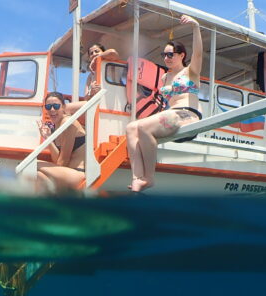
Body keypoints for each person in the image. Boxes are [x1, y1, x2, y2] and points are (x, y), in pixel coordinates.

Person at [126, 15, 203, 192]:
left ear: (181, 55)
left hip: (188, 114)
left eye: (170, 54)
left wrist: (196, 27)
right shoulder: (164, 77)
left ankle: (149, 178)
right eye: (164, 55)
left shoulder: (190, 71)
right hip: (171, 115)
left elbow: (198, 53)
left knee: (144, 127)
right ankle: (137, 177)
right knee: (131, 127)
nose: (166, 58)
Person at [36, 91, 87, 191]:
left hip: (77, 173)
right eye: (48, 107)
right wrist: (48, 138)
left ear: (64, 107)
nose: (52, 109)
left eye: (56, 106)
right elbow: (58, 160)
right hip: (66, 172)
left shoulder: (67, 122)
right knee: (38, 175)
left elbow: (63, 162)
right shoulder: (56, 126)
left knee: (31, 164)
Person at [67, 43, 120, 119]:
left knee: (67, 108)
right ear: (89, 58)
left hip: (110, 103)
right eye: (91, 53)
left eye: (97, 51)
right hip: (95, 104)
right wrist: (91, 92)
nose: (94, 54)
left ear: (103, 52)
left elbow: (113, 52)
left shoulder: (111, 66)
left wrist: (97, 58)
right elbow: (85, 98)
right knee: (65, 108)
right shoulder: (90, 76)